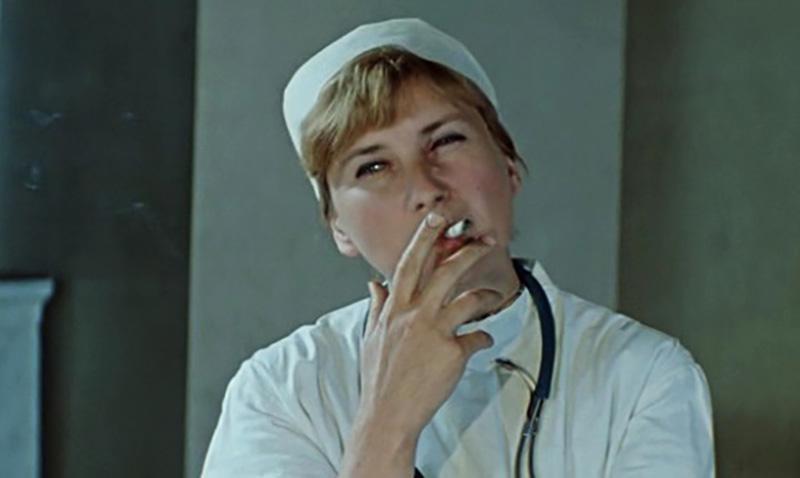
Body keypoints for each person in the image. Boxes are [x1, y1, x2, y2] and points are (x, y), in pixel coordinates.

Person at [201, 18, 715, 478]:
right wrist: (387, 423)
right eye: (373, 166)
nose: (426, 188)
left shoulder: (645, 376)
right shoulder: (281, 391)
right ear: (340, 228)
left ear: (509, 167)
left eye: (445, 141)